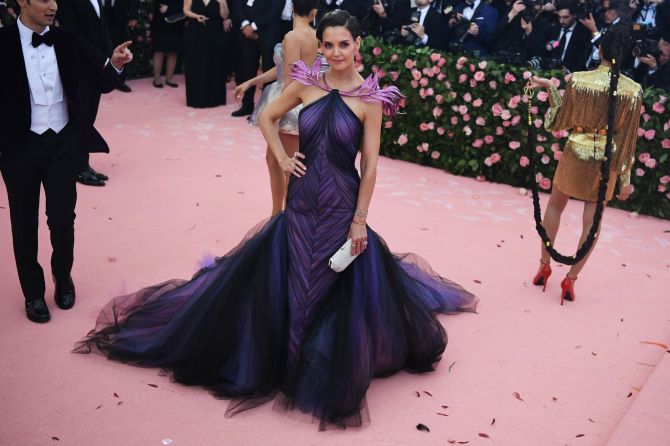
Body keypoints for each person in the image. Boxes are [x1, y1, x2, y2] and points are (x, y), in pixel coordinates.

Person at [74, 10, 477, 428]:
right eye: (328, 44)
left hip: (341, 206)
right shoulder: (307, 83)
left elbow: (370, 165)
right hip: (300, 202)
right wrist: (283, 158)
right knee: (295, 278)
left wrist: (360, 220)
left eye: (344, 44)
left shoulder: (370, 99)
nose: (336, 52)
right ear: (320, 46)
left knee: (329, 285)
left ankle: (309, 362)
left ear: (358, 45)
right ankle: (290, 358)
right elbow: (268, 117)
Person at [0, 0, 132, 323]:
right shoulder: (3, 44)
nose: (53, 5)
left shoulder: (68, 40)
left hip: (62, 145)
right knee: (23, 223)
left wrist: (115, 64)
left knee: (62, 219)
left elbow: (102, 79)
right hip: (18, 149)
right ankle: (33, 292)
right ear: (23, 1)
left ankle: (63, 277)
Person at [526, 24, 642, 304]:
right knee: (592, 222)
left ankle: (544, 264)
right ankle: (571, 279)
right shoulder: (634, 90)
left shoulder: (578, 79)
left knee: (555, 206)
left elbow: (558, 121)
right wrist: (625, 179)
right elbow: (627, 140)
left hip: (575, 152)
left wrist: (551, 87)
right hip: (606, 160)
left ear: (599, 49)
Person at [234, 0, 320, 215]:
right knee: (275, 160)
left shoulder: (293, 37)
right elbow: (282, 70)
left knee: (288, 167)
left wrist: (278, 113)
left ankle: (286, 219)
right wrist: (252, 81)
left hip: (289, 103)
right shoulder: (313, 35)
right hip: (298, 100)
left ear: (292, 8)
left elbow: (289, 80)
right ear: (314, 12)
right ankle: (279, 215)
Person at [57, 0, 114, 187]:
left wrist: (109, 57)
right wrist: (100, 59)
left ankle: (83, 164)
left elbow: (103, 27)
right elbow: (72, 34)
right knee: (78, 118)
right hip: (79, 68)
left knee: (89, 118)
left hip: (96, 69)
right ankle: (77, 167)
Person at [230, 0, 282, 117]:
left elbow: (275, 9)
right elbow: (238, 4)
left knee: (268, 72)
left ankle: (265, 109)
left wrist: (253, 26)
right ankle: (247, 105)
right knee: (248, 71)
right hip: (247, 34)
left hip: (268, 33)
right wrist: (245, 24)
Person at [183, 0, 232, 108]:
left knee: (215, 64)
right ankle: (196, 98)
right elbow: (185, 10)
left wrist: (222, 3)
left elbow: (224, 16)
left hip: (215, 33)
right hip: (195, 33)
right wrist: (196, 16)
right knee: (195, 64)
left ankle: (215, 98)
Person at [101, 0, 138, 92]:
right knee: (98, 46)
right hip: (97, 13)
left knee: (121, 48)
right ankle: (97, 79)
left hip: (118, 14)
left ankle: (120, 81)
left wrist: (133, 16)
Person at [150, 0, 184, 88]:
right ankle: (157, 78)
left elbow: (185, 3)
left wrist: (170, 8)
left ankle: (169, 78)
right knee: (159, 50)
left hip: (177, 20)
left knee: (173, 51)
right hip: (160, 20)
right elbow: (159, 5)